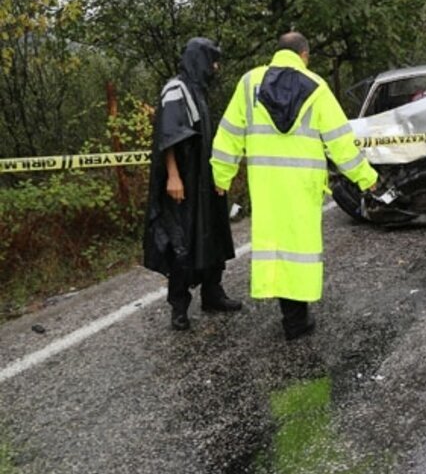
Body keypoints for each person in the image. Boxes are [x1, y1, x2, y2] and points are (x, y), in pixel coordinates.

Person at [210, 32, 379, 340]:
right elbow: (340, 143)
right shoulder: (317, 87)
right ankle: (296, 318)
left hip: (266, 184)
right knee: (300, 248)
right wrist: (366, 177)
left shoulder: (249, 83)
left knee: (274, 244)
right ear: (304, 55)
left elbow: (229, 134)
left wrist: (221, 176)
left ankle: (290, 313)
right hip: (303, 185)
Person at [144, 37, 240, 331]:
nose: (216, 67)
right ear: (199, 59)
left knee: (213, 234)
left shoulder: (198, 90)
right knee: (182, 242)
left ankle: (212, 294)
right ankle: (179, 306)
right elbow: (168, 135)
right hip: (184, 181)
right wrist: (173, 176)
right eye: (212, 61)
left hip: (205, 178)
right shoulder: (176, 89)